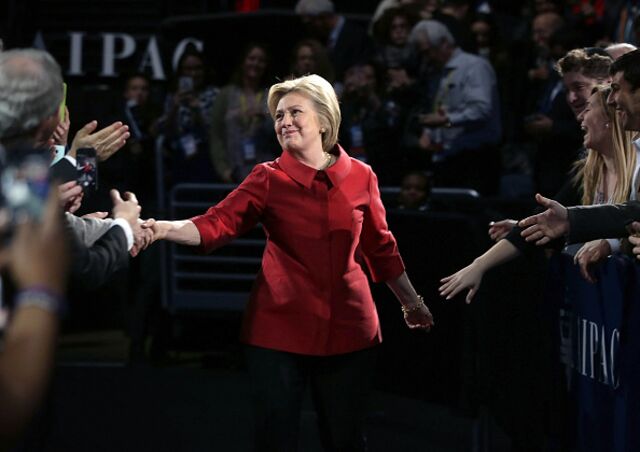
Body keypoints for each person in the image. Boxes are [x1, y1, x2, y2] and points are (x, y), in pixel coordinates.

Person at [142, 74, 434, 451]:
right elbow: (215, 224)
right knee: (275, 438)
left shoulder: (362, 176)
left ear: (324, 121)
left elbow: (380, 248)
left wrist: (412, 302)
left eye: (295, 112)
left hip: (350, 328)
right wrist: (162, 228)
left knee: (345, 440)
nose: (284, 122)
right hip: (279, 328)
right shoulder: (267, 178)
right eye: (279, 115)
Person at [440, 85, 637, 301]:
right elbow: (552, 221)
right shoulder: (585, 173)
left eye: (588, 109)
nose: (580, 115)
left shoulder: (636, 170)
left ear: (609, 120)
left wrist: (613, 243)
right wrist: (480, 264)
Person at [518, 50, 640, 254]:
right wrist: (611, 243)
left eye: (615, 89)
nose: (610, 99)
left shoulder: (632, 159)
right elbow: (635, 212)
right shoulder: (629, 153)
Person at [406, 19, 501, 195]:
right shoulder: (437, 73)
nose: (426, 58)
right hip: (446, 157)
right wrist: (428, 133)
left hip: (475, 159)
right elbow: (440, 107)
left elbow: (482, 109)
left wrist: (446, 121)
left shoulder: (474, 66)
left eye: (427, 52)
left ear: (444, 43)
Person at [209, 43, 276, 183]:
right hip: (233, 174)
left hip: (266, 174)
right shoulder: (225, 95)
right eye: (252, 58)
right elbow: (216, 135)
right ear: (243, 61)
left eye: (261, 60)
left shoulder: (272, 95)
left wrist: (265, 117)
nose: (256, 63)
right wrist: (223, 170)